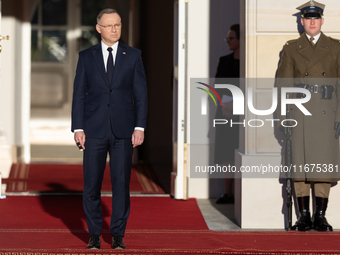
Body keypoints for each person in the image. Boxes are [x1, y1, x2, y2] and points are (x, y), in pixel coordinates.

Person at [71, 8, 147, 249]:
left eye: (118, 25)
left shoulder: (133, 55)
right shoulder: (86, 56)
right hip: (93, 130)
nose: (115, 29)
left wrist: (140, 126)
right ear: (98, 29)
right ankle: (94, 234)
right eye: (109, 25)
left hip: (124, 130)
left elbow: (141, 94)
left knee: (121, 184)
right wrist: (77, 128)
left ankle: (117, 235)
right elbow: (78, 95)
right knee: (91, 184)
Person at [277, 0, 340, 231]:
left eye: (316, 18)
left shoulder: (336, 47)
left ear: (322, 20)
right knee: (300, 165)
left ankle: (320, 215)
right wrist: (284, 117)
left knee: (323, 165)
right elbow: (283, 85)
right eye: (307, 18)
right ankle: (303, 215)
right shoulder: (292, 48)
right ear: (302, 21)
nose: (312, 22)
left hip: (326, 112)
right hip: (300, 112)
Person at [214, 24, 240, 204]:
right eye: (227, 38)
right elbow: (217, 86)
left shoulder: (248, 61)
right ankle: (228, 192)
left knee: (239, 150)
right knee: (225, 152)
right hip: (224, 112)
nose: (228, 42)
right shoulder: (224, 61)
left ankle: (240, 193)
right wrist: (225, 106)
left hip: (242, 113)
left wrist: (235, 104)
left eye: (231, 38)